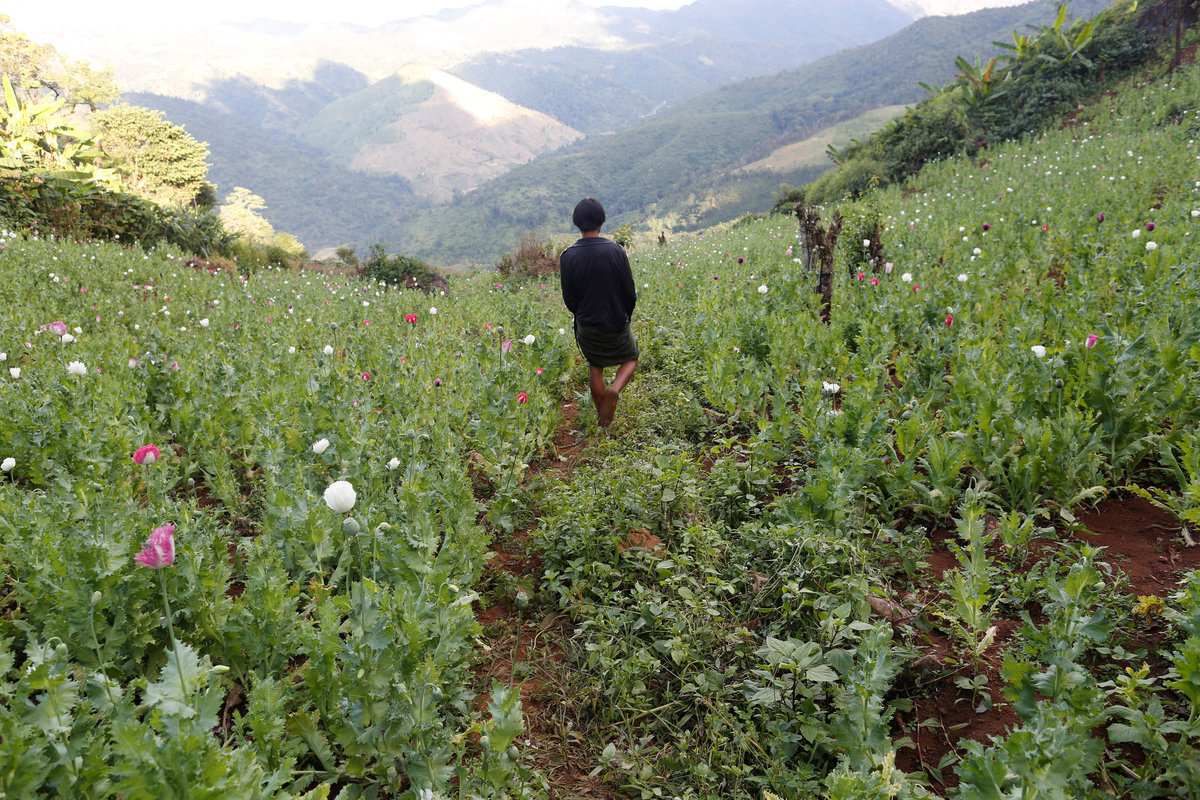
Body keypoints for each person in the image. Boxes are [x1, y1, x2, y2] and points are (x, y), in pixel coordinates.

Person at [559, 198, 638, 427]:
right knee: (631, 357)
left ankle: (603, 421)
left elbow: (569, 299)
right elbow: (629, 292)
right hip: (615, 322)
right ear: (601, 222)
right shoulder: (616, 251)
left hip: (587, 326)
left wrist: (583, 315)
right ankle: (615, 389)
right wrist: (624, 316)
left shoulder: (568, 256)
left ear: (577, 223)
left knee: (595, 366)